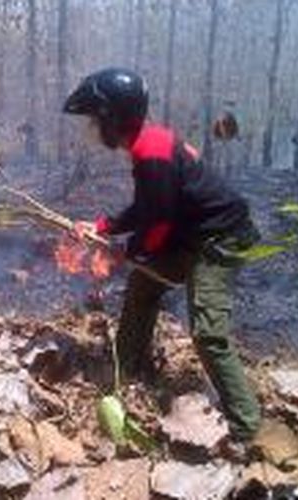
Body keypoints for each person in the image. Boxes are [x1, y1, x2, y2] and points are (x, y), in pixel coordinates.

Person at [63, 68, 262, 450]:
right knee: (142, 284)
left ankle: (248, 431)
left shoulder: (150, 151)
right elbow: (149, 206)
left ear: (111, 117)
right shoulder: (148, 142)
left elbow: (159, 223)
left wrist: (126, 252)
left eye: (95, 118)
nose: (93, 127)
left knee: (208, 334)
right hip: (195, 234)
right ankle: (126, 371)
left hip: (220, 240)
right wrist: (104, 226)